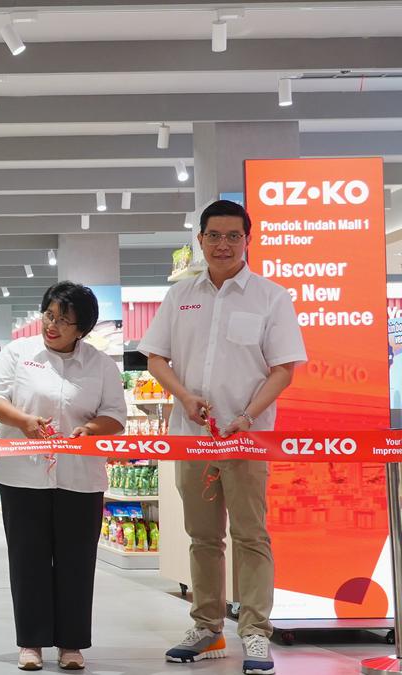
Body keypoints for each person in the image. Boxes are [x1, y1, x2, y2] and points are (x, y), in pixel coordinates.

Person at [140, 199, 306, 675]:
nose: (223, 244)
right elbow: (156, 358)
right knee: (202, 536)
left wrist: (249, 415)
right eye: (214, 235)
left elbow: (284, 368)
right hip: (191, 438)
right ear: (201, 239)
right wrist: (185, 397)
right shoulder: (180, 296)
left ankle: (255, 632)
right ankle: (207, 625)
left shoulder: (270, 296)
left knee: (251, 535)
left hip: (248, 439)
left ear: (247, 240)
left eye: (234, 235)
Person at [0, 281, 126, 672]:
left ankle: (72, 644)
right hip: (22, 475)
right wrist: (24, 421)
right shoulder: (18, 353)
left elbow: (116, 416)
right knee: (28, 560)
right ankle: (31, 642)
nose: (53, 325)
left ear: (83, 328)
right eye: (49, 315)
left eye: (64, 319)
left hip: (80, 477)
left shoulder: (100, 364)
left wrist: (91, 429)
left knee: (77, 561)